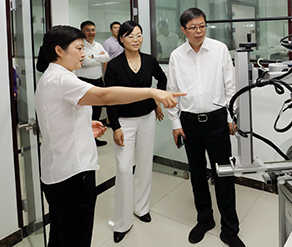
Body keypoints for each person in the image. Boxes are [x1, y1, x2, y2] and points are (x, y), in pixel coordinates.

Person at [35, 25, 184, 247]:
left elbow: (56, 117)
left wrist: (85, 125)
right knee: (76, 237)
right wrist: (152, 92)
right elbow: (104, 96)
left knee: (60, 235)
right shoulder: (62, 79)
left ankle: (141, 207)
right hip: (73, 173)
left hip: (58, 171)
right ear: (59, 50)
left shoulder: (52, 76)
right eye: (79, 48)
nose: (84, 54)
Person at [167, 8, 245, 247]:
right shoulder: (177, 56)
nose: (198, 31)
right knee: (197, 174)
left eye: (202, 26)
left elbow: (230, 86)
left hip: (217, 121)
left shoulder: (219, 49)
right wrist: (175, 123)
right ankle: (205, 219)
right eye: (193, 27)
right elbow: (172, 91)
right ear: (183, 30)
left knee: (224, 174)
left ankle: (229, 229)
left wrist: (231, 117)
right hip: (189, 123)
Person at [104, 21, 167, 243]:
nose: (135, 39)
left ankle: (142, 208)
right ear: (121, 38)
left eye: (139, 35)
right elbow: (110, 97)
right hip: (124, 122)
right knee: (123, 169)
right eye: (130, 35)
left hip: (147, 119)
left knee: (144, 163)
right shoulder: (114, 65)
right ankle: (122, 222)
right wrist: (115, 126)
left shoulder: (149, 60)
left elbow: (162, 79)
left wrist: (157, 99)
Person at [75, 20, 110, 146]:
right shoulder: (80, 46)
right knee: (85, 111)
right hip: (84, 81)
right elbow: (85, 62)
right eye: (88, 30)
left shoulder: (98, 45)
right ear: (82, 32)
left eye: (93, 30)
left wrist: (93, 57)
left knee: (96, 110)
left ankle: (93, 138)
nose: (91, 32)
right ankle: (84, 140)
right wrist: (98, 58)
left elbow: (107, 58)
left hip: (98, 81)